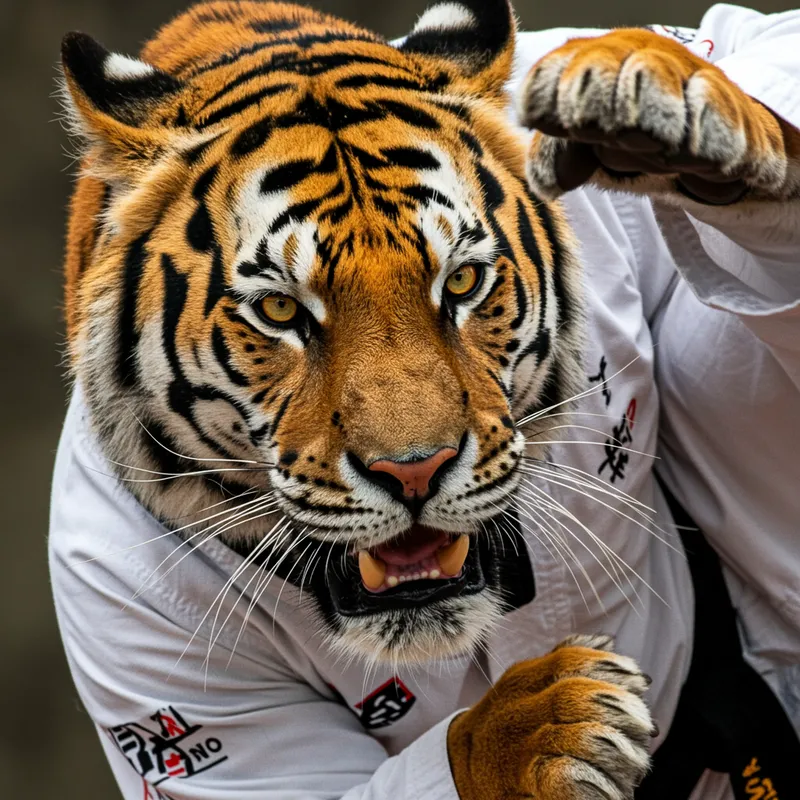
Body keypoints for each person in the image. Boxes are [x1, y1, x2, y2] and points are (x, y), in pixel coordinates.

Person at [50, 2, 800, 798]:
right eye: (274, 310)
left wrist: (753, 131)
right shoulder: (125, 566)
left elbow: (779, 45)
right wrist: (466, 776)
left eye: (466, 282)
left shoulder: (534, 121)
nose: (410, 445)